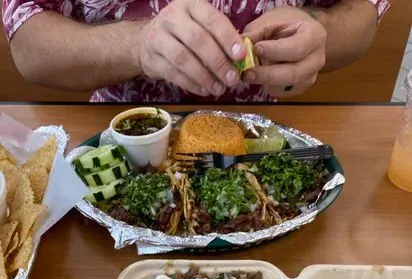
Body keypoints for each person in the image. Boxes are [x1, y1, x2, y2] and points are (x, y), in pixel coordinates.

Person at [2, 0, 389, 103]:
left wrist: (318, 30)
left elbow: (363, 13)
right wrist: (137, 44)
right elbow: (29, 43)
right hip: (123, 134)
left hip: (272, 133)